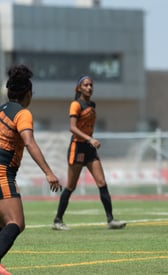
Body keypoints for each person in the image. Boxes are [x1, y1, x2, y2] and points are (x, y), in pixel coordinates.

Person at [0, 64, 62, 274]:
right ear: (28, 93)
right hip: (2, 174)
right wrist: (48, 172)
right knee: (16, 222)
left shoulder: (1, 111)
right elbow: (29, 142)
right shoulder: (23, 114)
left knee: (2, 225)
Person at [52, 75, 126, 230]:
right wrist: (90, 139)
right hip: (78, 147)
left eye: (91, 85)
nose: (89, 88)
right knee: (71, 186)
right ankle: (57, 220)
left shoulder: (92, 104)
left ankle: (110, 220)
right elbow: (72, 127)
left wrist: (90, 141)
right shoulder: (75, 105)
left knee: (102, 183)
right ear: (79, 88)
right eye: (86, 85)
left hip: (89, 150)